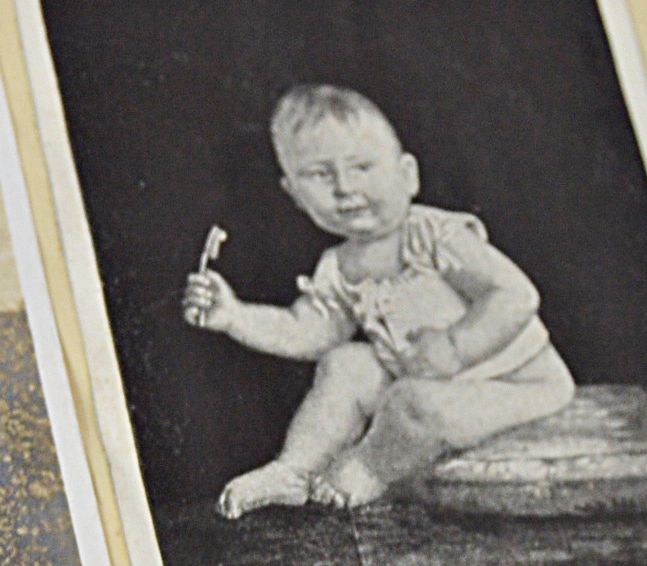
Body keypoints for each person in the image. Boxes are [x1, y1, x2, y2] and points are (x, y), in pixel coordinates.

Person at [183, 84, 574, 515]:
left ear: (408, 175)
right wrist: (234, 316)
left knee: (413, 403)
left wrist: (454, 347)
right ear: (294, 193)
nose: (345, 188)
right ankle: (294, 469)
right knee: (343, 365)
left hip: (517, 384)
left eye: (362, 167)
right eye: (319, 175)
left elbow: (516, 296)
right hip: (420, 381)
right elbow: (309, 333)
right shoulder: (337, 265)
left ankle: (369, 468)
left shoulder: (433, 235)